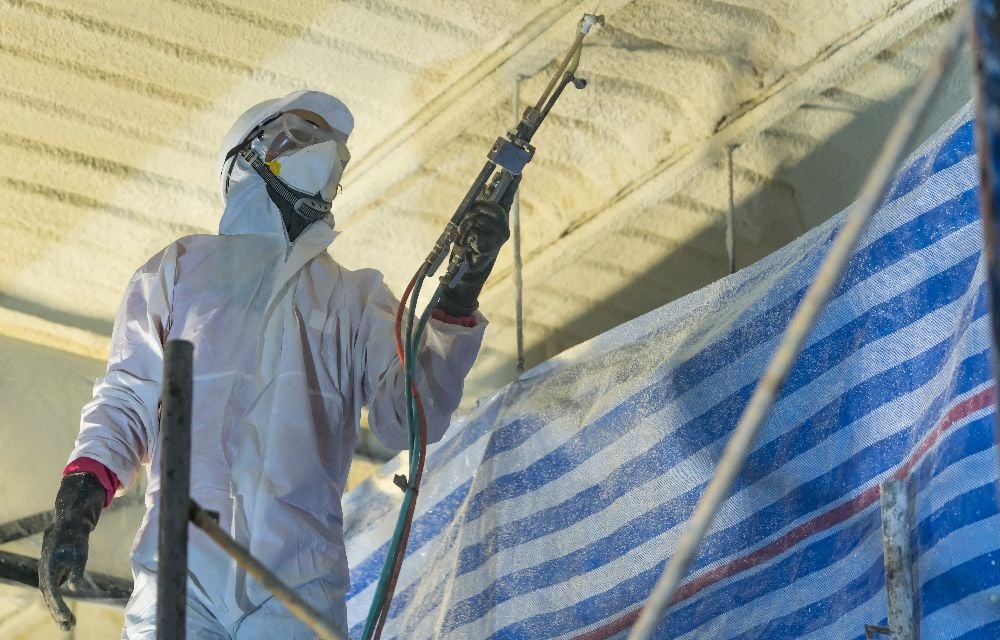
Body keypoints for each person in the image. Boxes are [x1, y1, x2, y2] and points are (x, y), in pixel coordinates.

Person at [37, 90, 514, 638]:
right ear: (245, 158)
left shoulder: (357, 298)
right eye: (300, 136)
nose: (323, 154)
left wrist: (456, 301)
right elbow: (127, 402)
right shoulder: (178, 270)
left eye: (331, 147)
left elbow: (405, 418)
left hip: (297, 577)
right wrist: (76, 503)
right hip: (180, 569)